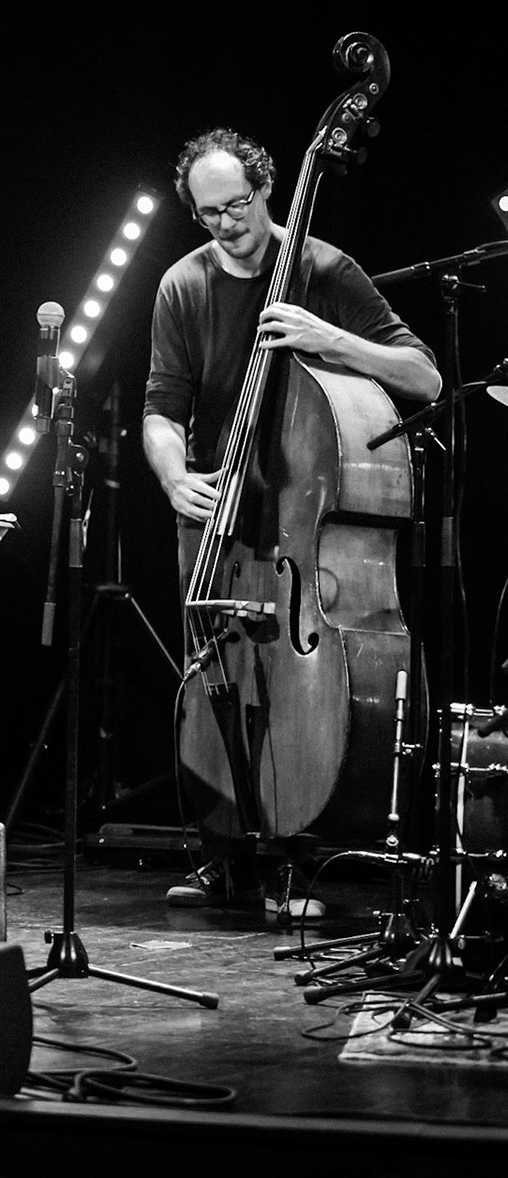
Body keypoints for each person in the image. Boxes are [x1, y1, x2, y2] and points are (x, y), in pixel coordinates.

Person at [143, 129, 440, 919]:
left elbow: (424, 374)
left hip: (302, 524)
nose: (225, 223)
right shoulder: (183, 284)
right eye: (207, 213)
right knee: (212, 680)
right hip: (218, 518)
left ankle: (297, 856)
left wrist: (330, 339)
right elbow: (161, 409)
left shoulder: (324, 269)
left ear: (267, 187)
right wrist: (174, 474)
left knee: (295, 684)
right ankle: (222, 854)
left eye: (236, 204)